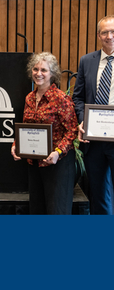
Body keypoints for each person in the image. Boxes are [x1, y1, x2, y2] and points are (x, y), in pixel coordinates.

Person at [11, 52, 78, 214]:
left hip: (58, 164)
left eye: (44, 70)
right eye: (35, 69)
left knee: (57, 212)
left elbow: (72, 130)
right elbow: (26, 127)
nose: (38, 73)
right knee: (37, 210)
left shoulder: (61, 98)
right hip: (35, 163)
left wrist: (58, 152)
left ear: (52, 73)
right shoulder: (29, 98)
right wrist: (16, 145)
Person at [72, 15, 114, 215]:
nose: (109, 36)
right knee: (98, 196)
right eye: (105, 32)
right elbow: (77, 98)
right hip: (93, 140)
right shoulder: (87, 61)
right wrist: (82, 121)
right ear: (98, 36)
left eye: (113, 31)